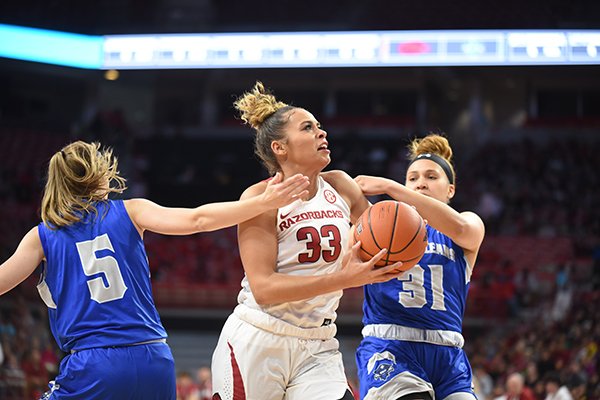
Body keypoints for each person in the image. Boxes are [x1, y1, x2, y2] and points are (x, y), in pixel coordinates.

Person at [0, 140, 311, 399]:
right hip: (154, 358)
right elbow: (198, 220)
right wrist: (263, 202)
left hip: (94, 364)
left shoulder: (42, 236)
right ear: (99, 177)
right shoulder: (133, 210)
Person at [210, 82, 404, 400]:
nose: (321, 133)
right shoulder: (259, 198)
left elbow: (386, 240)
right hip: (259, 337)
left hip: (319, 340)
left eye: (320, 127)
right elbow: (264, 288)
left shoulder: (341, 186)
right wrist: (341, 278)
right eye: (308, 128)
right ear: (280, 148)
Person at [354, 133, 486, 400]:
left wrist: (392, 187)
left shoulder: (467, 222)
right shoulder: (379, 225)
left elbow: (462, 228)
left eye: (431, 177)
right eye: (412, 178)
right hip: (392, 346)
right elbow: (344, 189)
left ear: (451, 189)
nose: (420, 184)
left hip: (448, 353)